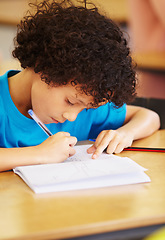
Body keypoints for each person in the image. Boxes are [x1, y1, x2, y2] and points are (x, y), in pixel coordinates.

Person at [0, 0, 160, 172]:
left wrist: (125, 134)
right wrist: (39, 154)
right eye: (69, 101)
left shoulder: (85, 102)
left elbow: (149, 116)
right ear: (45, 67)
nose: (72, 117)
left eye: (85, 108)